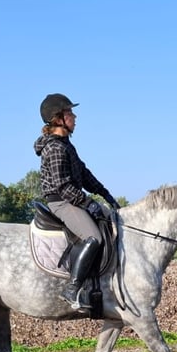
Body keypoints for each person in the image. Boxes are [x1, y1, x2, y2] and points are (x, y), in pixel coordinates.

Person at [33, 93, 120, 308]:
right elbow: (63, 186)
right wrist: (87, 203)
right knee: (94, 237)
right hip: (61, 202)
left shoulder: (66, 145)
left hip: (71, 199)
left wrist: (105, 194)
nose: (75, 116)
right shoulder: (54, 148)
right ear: (58, 118)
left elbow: (84, 174)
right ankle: (72, 288)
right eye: (70, 112)